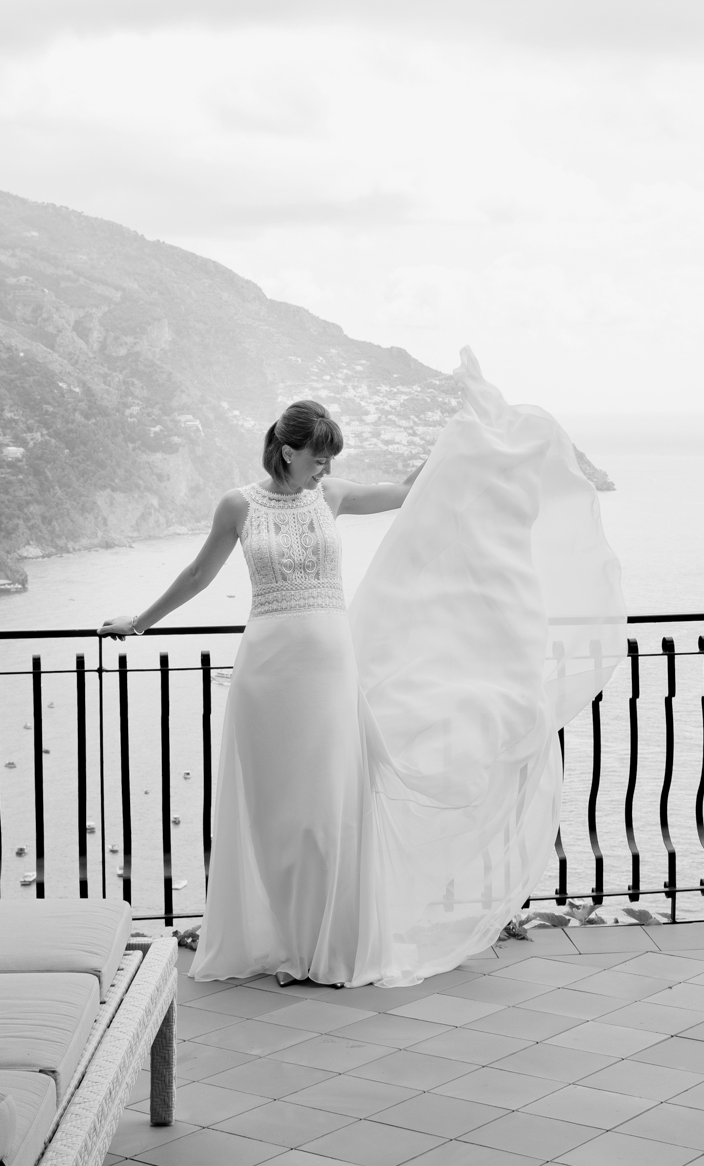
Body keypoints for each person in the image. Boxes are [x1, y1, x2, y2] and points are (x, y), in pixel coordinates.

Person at [101, 350, 625, 987]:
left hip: (329, 668)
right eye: (319, 454)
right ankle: (292, 947)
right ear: (287, 450)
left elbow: (409, 497)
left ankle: (333, 948)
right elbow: (197, 575)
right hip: (268, 672)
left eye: (331, 456)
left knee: (330, 811)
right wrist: (141, 620)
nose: (326, 465)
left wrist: (456, 440)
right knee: (278, 815)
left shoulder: (335, 495)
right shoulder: (237, 507)